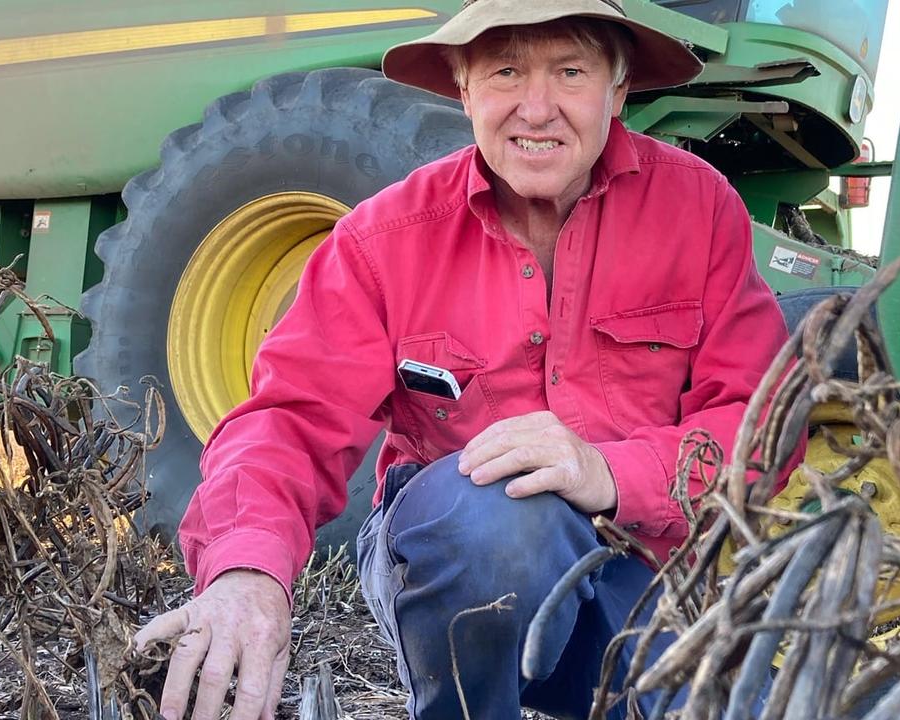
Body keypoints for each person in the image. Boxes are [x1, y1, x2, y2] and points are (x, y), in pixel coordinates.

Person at [135, 1, 792, 718]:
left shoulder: (699, 212)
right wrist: (246, 572)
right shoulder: (384, 237)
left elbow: (760, 425)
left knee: (745, 704)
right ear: (463, 86)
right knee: (503, 516)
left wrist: (610, 470)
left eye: (570, 72)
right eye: (506, 71)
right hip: (457, 561)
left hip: (639, 558)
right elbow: (290, 419)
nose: (535, 110)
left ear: (618, 87)